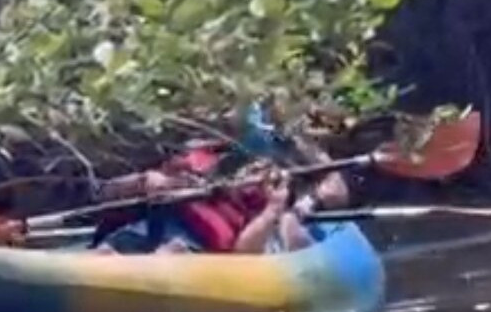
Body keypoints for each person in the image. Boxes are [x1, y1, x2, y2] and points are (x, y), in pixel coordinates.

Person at [89, 107, 352, 255]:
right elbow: (103, 195)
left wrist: (291, 207)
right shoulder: (189, 145)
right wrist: (144, 182)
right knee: (107, 252)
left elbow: (336, 188)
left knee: (172, 251)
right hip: (153, 228)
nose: (222, 116)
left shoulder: (282, 141)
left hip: (201, 243)